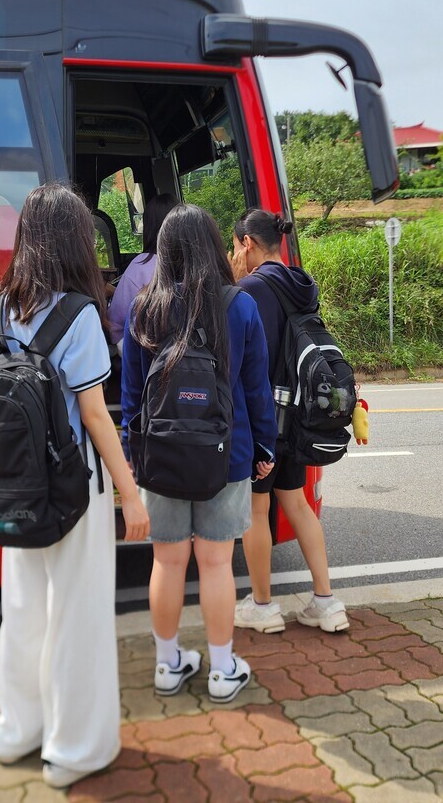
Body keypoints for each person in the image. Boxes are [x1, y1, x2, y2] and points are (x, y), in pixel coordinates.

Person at [0, 183, 150, 790]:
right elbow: (94, 414)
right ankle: (74, 749)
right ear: (75, 240)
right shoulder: (79, 313)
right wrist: (129, 492)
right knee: (77, 613)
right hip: (74, 483)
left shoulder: (6, 303)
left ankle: (18, 731)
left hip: (17, 477)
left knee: (24, 607)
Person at [121, 203, 276, 703]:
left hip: (160, 458)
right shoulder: (240, 306)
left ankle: (168, 666)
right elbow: (257, 390)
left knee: (166, 564)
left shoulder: (145, 306)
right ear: (213, 245)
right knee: (214, 565)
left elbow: (130, 396)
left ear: (164, 252)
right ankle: (222, 668)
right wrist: (264, 449)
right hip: (225, 455)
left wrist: (132, 455)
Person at [230, 208, 349, 634]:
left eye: (234, 246)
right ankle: (326, 602)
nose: (231, 255)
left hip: (267, 418)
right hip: (300, 413)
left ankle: (263, 606)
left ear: (247, 243)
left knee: (256, 510)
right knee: (297, 504)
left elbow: (249, 364)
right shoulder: (303, 283)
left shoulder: (251, 290)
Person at [106, 192, 178, 342]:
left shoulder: (140, 265)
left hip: (145, 354)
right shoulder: (193, 264)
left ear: (148, 227)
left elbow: (115, 325)